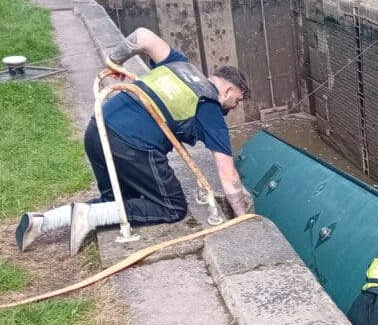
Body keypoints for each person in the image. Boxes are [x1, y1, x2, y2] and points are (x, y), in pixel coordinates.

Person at [15, 28, 252, 256]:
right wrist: (242, 217)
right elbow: (228, 175)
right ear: (228, 90)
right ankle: (87, 217)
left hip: (97, 129)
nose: (235, 106)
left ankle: (43, 221)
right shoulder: (209, 107)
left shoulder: (179, 64)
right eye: (238, 101)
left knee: (116, 203)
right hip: (131, 146)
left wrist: (114, 61)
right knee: (173, 207)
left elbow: (143, 36)